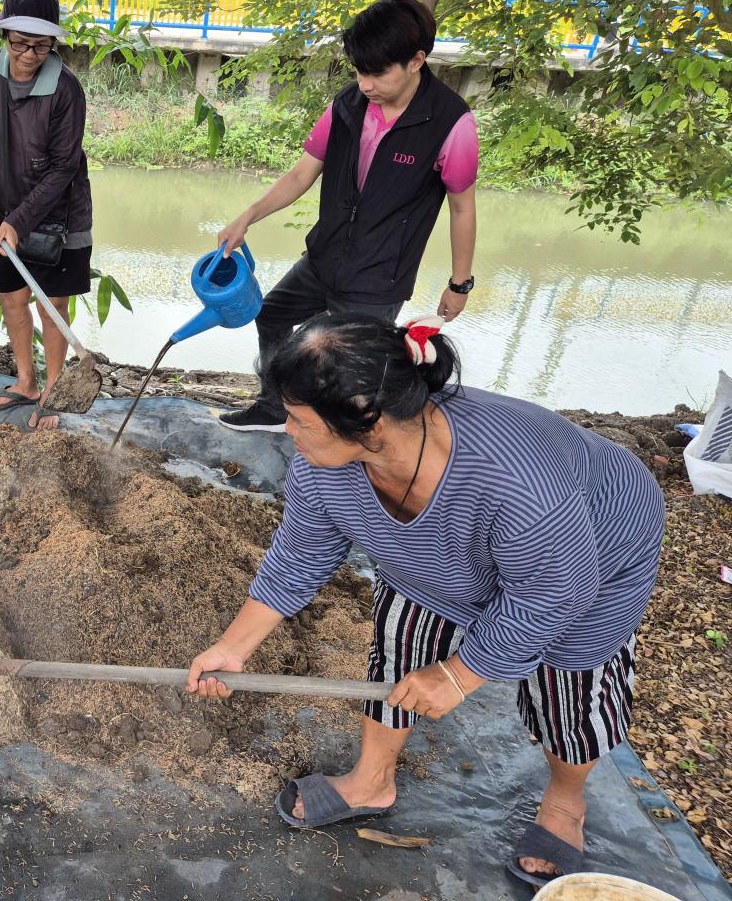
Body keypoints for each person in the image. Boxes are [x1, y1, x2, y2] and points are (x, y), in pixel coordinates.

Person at [186, 313, 664, 888]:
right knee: (401, 652)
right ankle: (371, 780)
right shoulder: (327, 467)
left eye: (295, 418)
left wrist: (461, 673)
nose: (286, 431)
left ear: (368, 420)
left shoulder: (520, 484)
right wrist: (231, 649)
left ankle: (565, 802)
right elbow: (298, 556)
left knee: (569, 685)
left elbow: (549, 594)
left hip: (592, 557)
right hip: (448, 556)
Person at [216, 0, 479, 433]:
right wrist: (247, 217)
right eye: (359, 71)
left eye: (377, 73)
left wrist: (459, 283)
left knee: (347, 371)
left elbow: (462, 207)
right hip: (323, 259)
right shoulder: (347, 105)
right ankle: (275, 406)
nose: (366, 84)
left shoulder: (451, 123)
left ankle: (337, 444)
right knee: (272, 314)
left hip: (377, 277)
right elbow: (303, 173)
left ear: (416, 61)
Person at [0, 0, 94, 432]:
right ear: (5, 38)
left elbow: (62, 169)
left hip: (59, 214)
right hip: (3, 207)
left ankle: (54, 393)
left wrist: (19, 222)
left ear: (52, 44)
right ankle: (26, 382)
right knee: (12, 296)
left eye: (40, 45)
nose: (28, 54)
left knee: (50, 304)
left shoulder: (67, 91)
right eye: (20, 43)